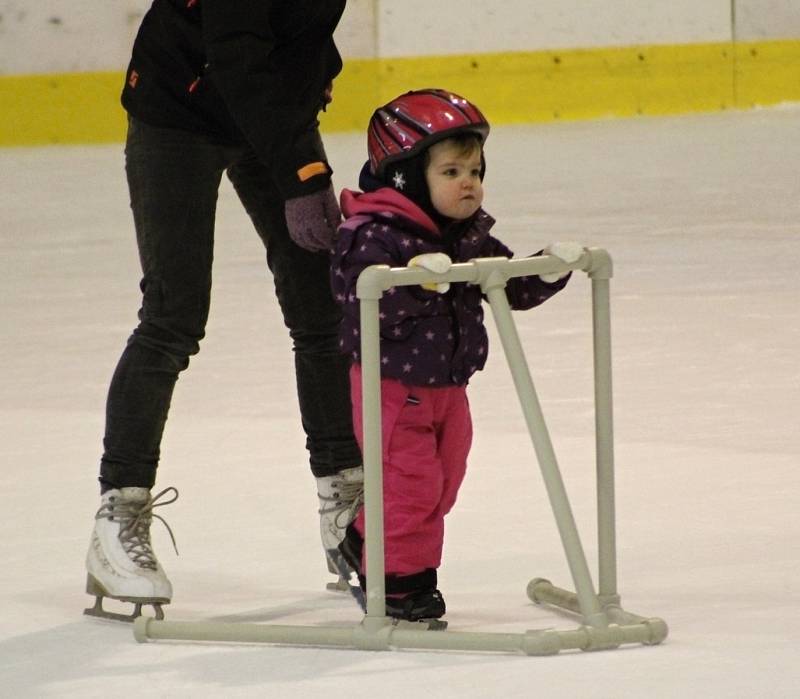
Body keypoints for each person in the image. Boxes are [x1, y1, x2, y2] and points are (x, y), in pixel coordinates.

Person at [84, 0, 363, 622]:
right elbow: (235, 56)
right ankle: (119, 514)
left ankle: (348, 506)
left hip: (270, 110)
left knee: (323, 310)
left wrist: (314, 86)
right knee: (172, 317)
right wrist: (303, 172)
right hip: (177, 112)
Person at [330, 89, 582, 622]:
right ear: (405, 174)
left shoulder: (468, 238)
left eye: (475, 170)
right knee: (413, 489)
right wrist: (420, 283)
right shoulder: (370, 235)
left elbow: (506, 288)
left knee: (442, 484)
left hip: (449, 389)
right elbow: (363, 304)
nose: (468, 182)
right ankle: (402, 584)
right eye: (451, 172)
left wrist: (546, 268)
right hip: (391, 390)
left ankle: (361, 536)